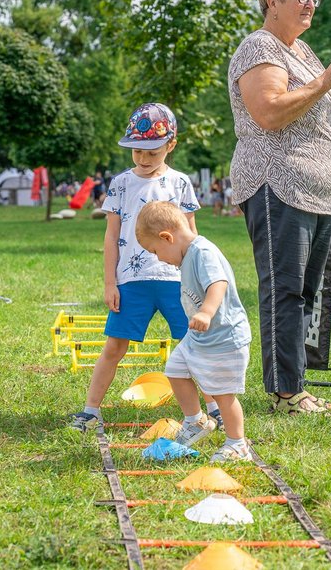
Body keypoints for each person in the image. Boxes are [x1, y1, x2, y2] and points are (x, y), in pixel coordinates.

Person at [228, 0, 331, 414]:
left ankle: (296, 385)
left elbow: (304, 113)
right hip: (277, 185)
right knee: (284, 289)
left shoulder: (303, 53)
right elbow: (268, 113)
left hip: (319, 192)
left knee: (305, 293)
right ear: (272, 1)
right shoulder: (259, 48)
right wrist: (325, 82)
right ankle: (287, 393)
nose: (310, 4)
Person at [69, 103, 221, 433]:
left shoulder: (181, 183)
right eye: (137, 151)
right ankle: (90, 411)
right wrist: (110, 283)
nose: (143, 158)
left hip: (176, 282)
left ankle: (214, 408)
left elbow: (192, 237)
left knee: (193, 346)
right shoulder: (120, 184)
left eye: (152, 152)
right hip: (132, 282)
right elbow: (111, 236)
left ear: (171, 145)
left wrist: (198, 279)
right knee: (114, 346)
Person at [135, 201, 253, 461]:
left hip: (224, 338)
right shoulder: (187, 255)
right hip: (199, 338)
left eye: (155, 250)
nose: (158, 258)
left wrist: (206, 312)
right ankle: (195, 421)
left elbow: (218, 283)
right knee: (175, 370)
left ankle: (237, 444)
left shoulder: (202, 252)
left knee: (223, 394)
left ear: (167, 237)